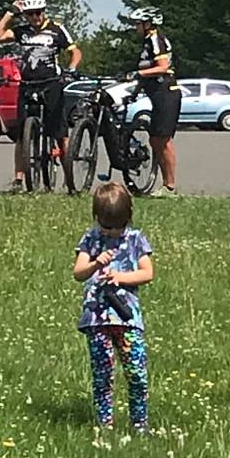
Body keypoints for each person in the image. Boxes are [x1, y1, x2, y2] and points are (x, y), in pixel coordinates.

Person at [73, 182, 154, 430]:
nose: (111, 232)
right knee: (103, 374)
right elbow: (78, 273)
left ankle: (139, 423)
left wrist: (120, 278)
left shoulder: (135, 240)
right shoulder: (90, 239)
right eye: (106, 227)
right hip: (97, 319)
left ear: (128, 218)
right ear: (97, 218)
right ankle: (104, 423)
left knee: (136, 372)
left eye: (117, 227)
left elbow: (147, 273)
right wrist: (96, 264)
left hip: (126, 317)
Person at [0, 0, 82, 193]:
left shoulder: (57, 29)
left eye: (38, 13)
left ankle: (70, 181)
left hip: (51, 84)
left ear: (44, 12)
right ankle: (18, 179)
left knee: (59, 134)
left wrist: (72, 68)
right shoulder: (21, 31)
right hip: (28, 84)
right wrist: (10, 13)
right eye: (30, 14)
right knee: (23, 135)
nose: (35, 17)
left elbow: (75, 52)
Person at [127, 6, 182, 198]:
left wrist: (138, 73)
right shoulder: (146, 44)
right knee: (154, 139)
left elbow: (163, 67)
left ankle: (170, 186)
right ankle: (164, 183)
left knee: (164, 141)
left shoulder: (156, 40)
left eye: (138, 24)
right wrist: (134, 92)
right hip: (156, 94)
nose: (135, 27)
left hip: (167, 93)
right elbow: (145, 76)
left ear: (148, 24)